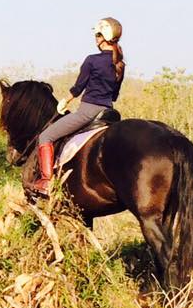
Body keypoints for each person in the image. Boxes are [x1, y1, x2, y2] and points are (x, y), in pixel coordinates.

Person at [31, 17, 126, 196]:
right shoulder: (119, 64)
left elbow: (78, 87)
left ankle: (46, 182)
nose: (95, 39)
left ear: (101, 37)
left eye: (97, 35)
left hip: (88, 111)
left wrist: (65, 101)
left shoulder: (92, 60)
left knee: (45, 137)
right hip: (109, 112)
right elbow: (114, 95)